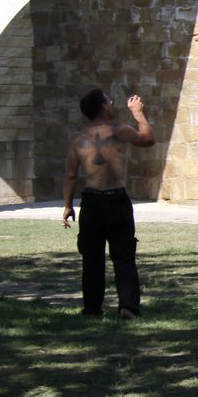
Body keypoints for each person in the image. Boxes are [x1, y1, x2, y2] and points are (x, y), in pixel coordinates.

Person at [62, 90, 156, 318]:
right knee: (124, 256)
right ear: (104, 107)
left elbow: (71, 176)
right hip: (116, 200)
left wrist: (67, 205)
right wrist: (138, 114)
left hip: (92, 201)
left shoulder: (78, 140)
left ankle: (93, 309)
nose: (113, 104)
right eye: (110, 101)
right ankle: (127, 307)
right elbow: (148, 139)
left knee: (92, 258)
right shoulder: (120, 132)